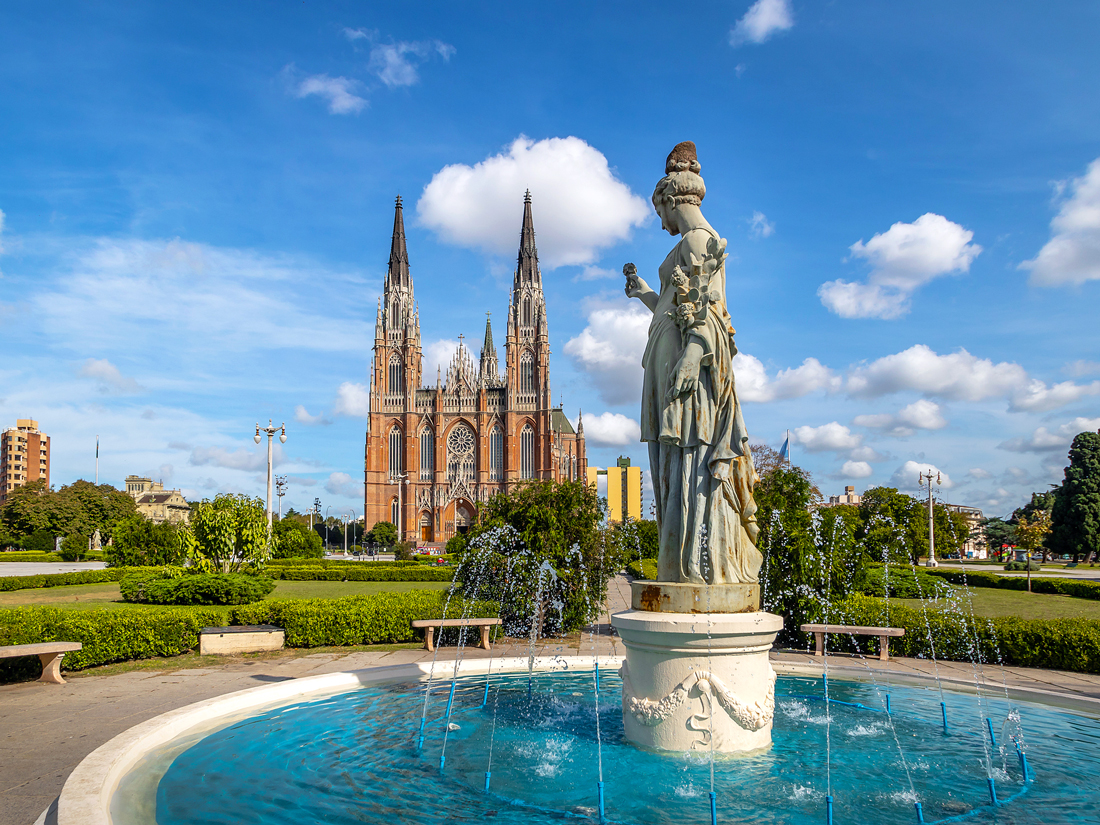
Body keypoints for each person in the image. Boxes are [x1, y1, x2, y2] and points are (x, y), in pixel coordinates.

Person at [624, 141, 761, 585]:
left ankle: (694, 564)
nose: (659, 221)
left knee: (690, 465)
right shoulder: (688, 244)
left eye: (658, 210)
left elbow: (712, 311)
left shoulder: (701, 240)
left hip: (687, 375)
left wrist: (691, 354)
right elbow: (674, 305)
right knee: (674, 466)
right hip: (672, 371)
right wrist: (646, 292)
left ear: (668, 198)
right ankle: (680, 559)